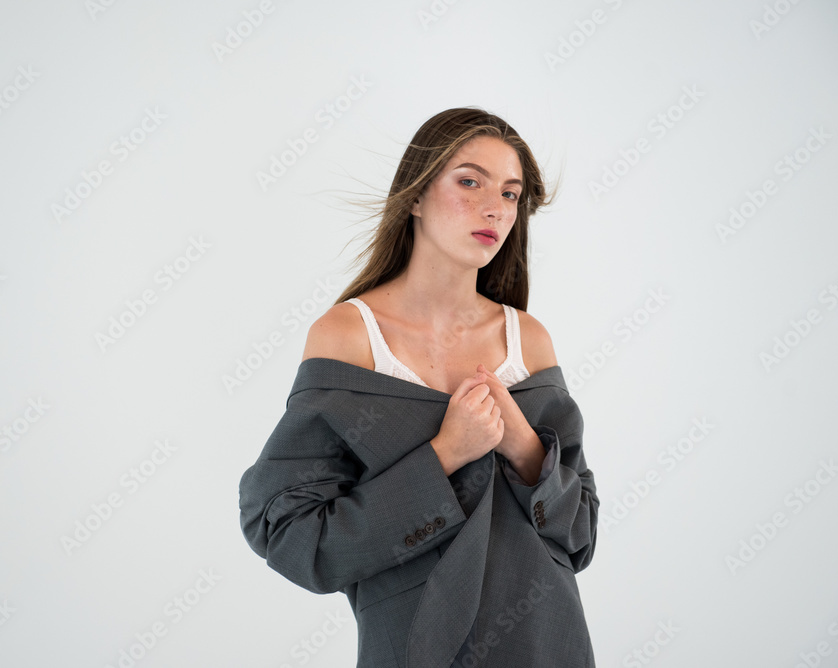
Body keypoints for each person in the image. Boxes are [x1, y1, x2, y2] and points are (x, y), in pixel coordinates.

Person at [239, 107, 598, 667]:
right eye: (469, 181)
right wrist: (445, 454)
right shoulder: (348, 336)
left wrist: (525, 449)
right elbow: (295, 537)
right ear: (414, 195)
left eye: (510, 194)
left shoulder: (529, 340)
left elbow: (580, 534)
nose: (493, 208)